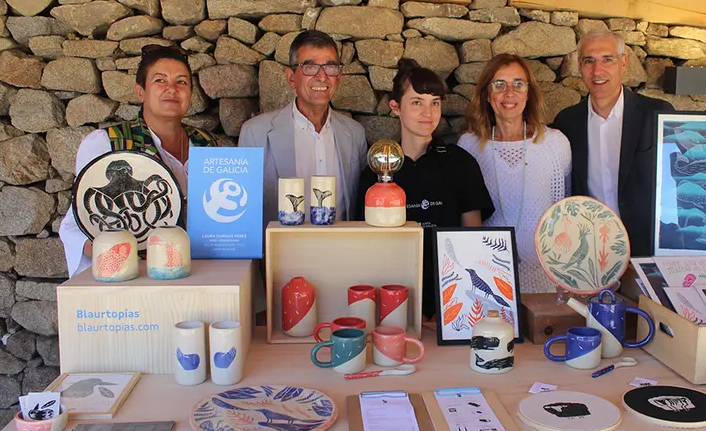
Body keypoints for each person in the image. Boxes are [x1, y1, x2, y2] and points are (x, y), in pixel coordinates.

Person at [59, 45, 219, 277]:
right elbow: (78, 223)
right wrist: (116, 255)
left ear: (191, 93)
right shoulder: (107, 143)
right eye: (160, 80)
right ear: (140, 91)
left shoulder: (209, 144)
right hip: (134, 276)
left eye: (181, 82)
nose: (171, 89)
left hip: (202, 270)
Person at [356, 59, 494, 318]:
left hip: (452, 300)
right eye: (417, 102)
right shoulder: (377, 169)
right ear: (395, 107)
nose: (428, 113)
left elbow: (473, 241)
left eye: (435, 103)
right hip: (391, 297)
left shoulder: (461, 163)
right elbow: (365, 243)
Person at [552, 29, 672, 258]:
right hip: (591, 252)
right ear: (579, 67)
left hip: (647, 250)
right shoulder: (566, 122)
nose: (597, 71)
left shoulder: (658, 114)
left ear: (623, 62)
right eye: (589, 61)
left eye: (607, 59)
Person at [458, 54, 572, 293]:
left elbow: (566, 212)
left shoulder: (554, 143)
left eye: (518, 84)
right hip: (489, 274)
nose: (509, 93)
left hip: (545, 275)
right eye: (499, 85)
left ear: (528, 93)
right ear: (487, 95)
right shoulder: (468, 146)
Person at [239, 30, 367, 225]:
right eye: (310, 67)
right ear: (291, 78)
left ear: (338, 76)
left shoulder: (354, 133)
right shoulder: (256, 133)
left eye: (330, 67)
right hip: (282, 251)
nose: (322, 77)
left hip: (342, 250)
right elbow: (244, 211)